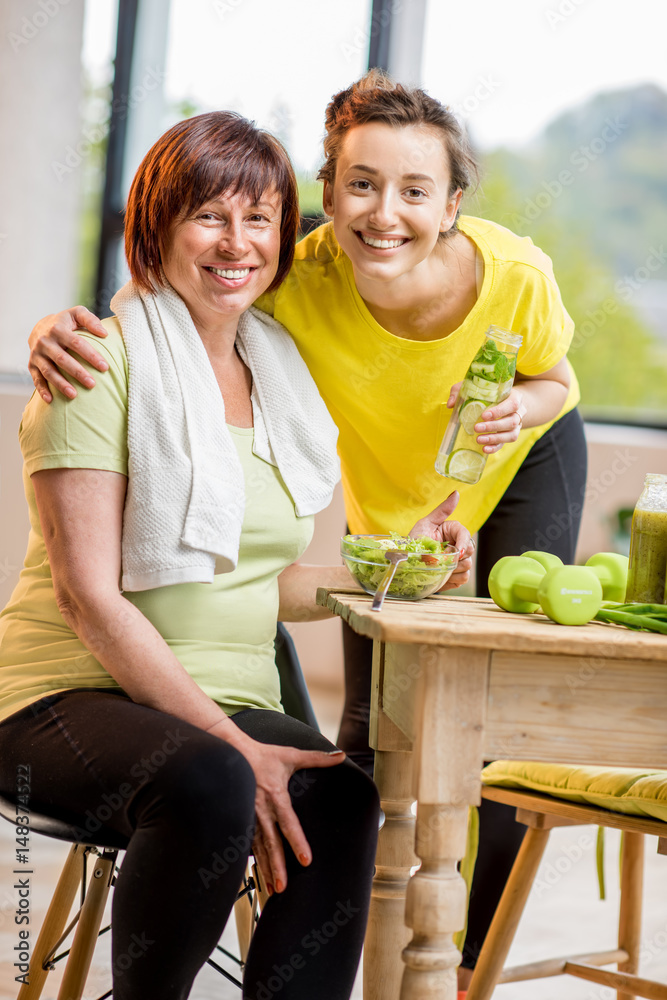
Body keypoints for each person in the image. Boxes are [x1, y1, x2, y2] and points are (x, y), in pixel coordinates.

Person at [25, 71, 586, 992]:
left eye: (258, 221)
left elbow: (250, 578)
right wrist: (235, 743)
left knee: (358, 782)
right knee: (248, 770)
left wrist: (398, 568)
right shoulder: (127, 354)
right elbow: (93, 596)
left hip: (486, 462)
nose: (238, 244)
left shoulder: (279, 364)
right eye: (209, 217)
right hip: (68, 693)